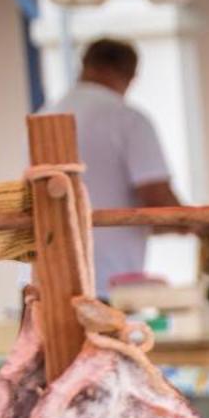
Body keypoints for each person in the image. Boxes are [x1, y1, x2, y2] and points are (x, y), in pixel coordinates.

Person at [48, 38, 180, 294]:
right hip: (108, 281)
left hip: (46, 284)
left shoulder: (45, 115)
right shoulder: (125, 119)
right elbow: (157, 198)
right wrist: (196, 225)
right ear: (129, 75)